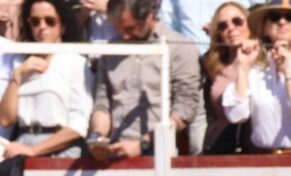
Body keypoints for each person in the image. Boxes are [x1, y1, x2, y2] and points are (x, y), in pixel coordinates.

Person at [88, 0, 202, 161]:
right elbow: (102, 104)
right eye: (118, 29)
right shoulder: (112, 48)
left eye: (130, 28)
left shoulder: (180, 47)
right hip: (114, 150)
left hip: (159, 153)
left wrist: (143, 144)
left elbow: (184, 110)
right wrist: (97, 138)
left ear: (149, 16)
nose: (125, 36)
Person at [222, 0, 291, 153]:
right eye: (274, 17)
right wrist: (243, 67)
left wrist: (288, 72)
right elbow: (236, 115)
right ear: (265, 29)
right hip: (265, 159)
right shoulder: (256, 66)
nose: (282, 21)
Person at [0, 0, 92, 159]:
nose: (42, 27)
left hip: (60, 149)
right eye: (35, 21)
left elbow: (79, 125)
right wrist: (16, 76)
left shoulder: (76, 62)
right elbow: (5, 120)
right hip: (22, 145)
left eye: (50, 21)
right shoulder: (20, 62)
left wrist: (34, 150)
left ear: (62, 26)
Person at [200, 0, 252, 152]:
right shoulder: (210, 63)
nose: (231, 28)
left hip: (255, 148)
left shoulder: (264, 60)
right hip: (220, 145)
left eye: (237, 21)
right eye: (223, 26)